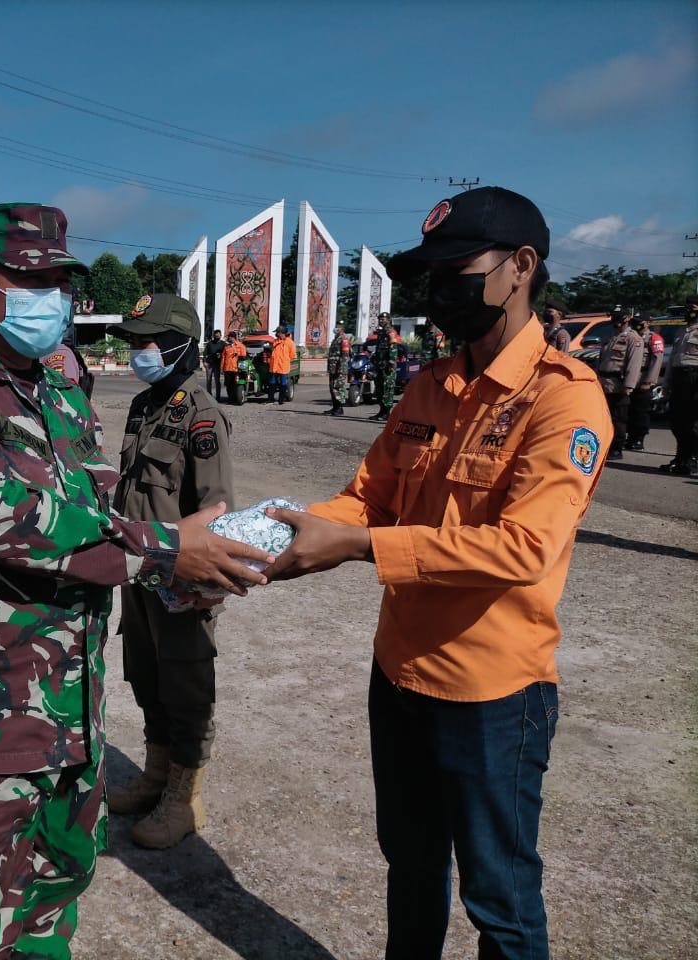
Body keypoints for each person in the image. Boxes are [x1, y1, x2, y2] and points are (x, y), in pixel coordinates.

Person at [0, 202, 272, 960]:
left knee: (53, 900)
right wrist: (169, 548)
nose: (50, 298)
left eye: (60, 283)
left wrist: (214, 546)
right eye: (29, 281)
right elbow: (18, 525)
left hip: (69, 709)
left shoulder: (61, 396)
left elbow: (102, 508)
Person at [263, 188, 611, 960]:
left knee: (500, 894)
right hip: (399, 674)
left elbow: (523, 548)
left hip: (492, 694)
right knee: (411, 863)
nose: (439, 290)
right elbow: (368, 496)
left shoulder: (564, 399)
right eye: (432, 275)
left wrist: (362, 547)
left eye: (458, 271)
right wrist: (274, 533)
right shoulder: (429, 385)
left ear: (521, 267)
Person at [107, 292, 234, 850]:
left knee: (186, 685)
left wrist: (207, 587)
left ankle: (185, 798)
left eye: (148, 341)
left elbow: (218, 508)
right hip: (141, 571)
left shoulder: (202, 414)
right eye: (134, 341)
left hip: (181, 579)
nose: (138, 351)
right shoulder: (144, 405)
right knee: (145, 675)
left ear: (181, 345)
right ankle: (157, 775)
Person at [595, 306, 643, 460]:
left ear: (627, 318)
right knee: (603, 417)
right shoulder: (610, 337)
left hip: (618, 384)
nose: (615, 319)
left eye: (618, 316)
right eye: (613, 316)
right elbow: (601, 360)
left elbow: (634, 364)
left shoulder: (633, 339)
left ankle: (616, 448)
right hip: (603, 383)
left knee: (618, 419)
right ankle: (604, 446)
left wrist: (629, 386)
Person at [660, 295, 698, 476]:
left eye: (693, 308)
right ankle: (681, 458)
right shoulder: (681, 331)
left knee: (693, 423)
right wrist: (666, 384)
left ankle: (692, 459)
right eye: (687, 307)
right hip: (679, 378)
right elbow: (672, 361)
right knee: (677, 422)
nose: (689, 311)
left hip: (695, 379)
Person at [625, 310, 663, 451]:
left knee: (641, 411)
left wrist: (649, 381)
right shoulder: (631, 337)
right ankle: (629, 437)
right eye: (634, 322)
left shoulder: (654, 338)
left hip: (643, 378)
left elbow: (657, 361)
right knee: (628, 410)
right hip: (630, 378)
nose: (636, 324)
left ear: (647, 323)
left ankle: (638, 439)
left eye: (639, 322)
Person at [371, 312, 397, 421]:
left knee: (387, 389)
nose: (381, 321)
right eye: (380, 319)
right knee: (379, 389)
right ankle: (381, 412)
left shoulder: (391, 332)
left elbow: (393, 348)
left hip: (387, 366)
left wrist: (391, 362)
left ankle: (386, 413)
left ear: (389, 320)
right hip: (380, 365)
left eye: (384, 319)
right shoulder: (381, 333)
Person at [326, 323, 351, 416]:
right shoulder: (336, 339)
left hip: (339, 369)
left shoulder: (344, 339)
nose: (336, 328)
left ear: (342, 328)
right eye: (336, 326)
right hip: (333, 368)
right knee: (332, 388)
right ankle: (335, 407)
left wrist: (341, 369)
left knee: (338, 387)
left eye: (338, 327)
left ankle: (340, 408)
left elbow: (345, 355)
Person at [268, 325, 297, 404]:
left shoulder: (290, 343)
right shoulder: (275, 341)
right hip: (274, 366)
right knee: (272, 382)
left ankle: (281, 400)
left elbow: (292, 355)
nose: (276, 334)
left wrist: (284, 361)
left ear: (281, 333)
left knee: (283, 383)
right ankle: (271, 399)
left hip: (283, 367)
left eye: (277, 332)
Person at [220, 329, 246, 402]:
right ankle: (230, 399)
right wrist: (221, 368)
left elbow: (244, 357)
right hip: (227, 369)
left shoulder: (241, 346)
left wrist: (238, 354)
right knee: (228, 385)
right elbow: (223, 358)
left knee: (236, 384)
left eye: (230, 337)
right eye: (229, 337)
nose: (229, 338)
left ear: (234, 337)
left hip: (236, 369)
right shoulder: (226, 347)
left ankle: (237, 398)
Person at [204, 330, 225, 400]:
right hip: (209, 364)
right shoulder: (210, 343)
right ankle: (209, 395)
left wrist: (220, 354)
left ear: (221, 335)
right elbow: (205, 353)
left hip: (218, 364)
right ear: (214, 336)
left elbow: (225, 353)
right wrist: (204, 361)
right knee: (208, 380)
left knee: (217, 380)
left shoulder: (223, 344)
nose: (217, 336)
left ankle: (218, 396)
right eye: (216, 335)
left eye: (218, 335)